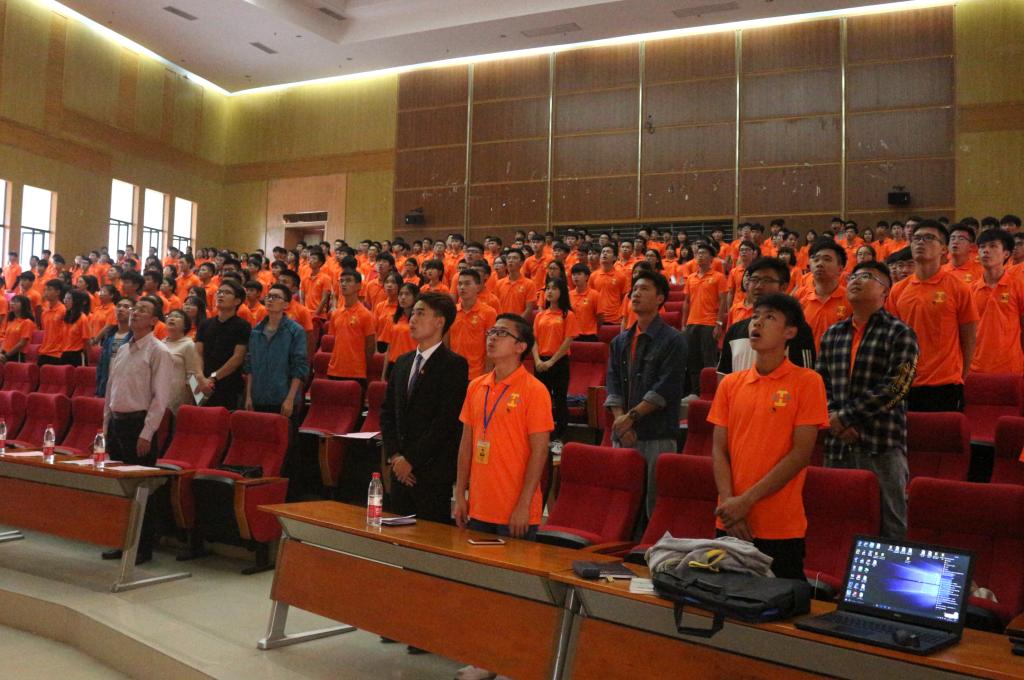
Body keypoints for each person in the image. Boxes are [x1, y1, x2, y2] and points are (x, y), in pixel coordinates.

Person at [709, 294, 829, 580]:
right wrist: (730, 506)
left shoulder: (808, 382)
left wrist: (745, 502)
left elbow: (800, 455)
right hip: (730, 520)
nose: (758, 323)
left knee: (780, 602)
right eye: (756, 316)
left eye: (770, 317)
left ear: (790, 332)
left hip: (779, 526)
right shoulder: (730, 384)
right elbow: (718, 450)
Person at [817, 262, 919, 539]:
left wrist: (844, 417)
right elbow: (820, 383)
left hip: (880, 443)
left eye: (866, 277)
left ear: (885, 291)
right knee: (836, 520)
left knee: (890, 525)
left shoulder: (899, 332)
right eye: (853, 276)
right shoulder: (833, 334)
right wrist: (834, 417)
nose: (855, 281)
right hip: (838, 444)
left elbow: (897, 386)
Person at [454, 313, 552, 539]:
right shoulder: (476, 386)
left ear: (520, 347)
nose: (492, 337)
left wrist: (524, 504)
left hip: (515, 511)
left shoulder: (535, 390)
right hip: (478, 507)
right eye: (492, 331)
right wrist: (459, 494)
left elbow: (539, 452)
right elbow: (466, 445)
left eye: (502, 333)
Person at [605, 271, 687, 517]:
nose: (636, 293)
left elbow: (666, 387)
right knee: (620, 506)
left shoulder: (673, 340)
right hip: (624, 433)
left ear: (660, 298)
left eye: (644, 289)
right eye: (634, 289)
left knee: (654, 506)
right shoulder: (620, 341)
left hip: (656, 433)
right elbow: (613, 383)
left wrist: (629, 419)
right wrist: (621, 423)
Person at [382, 292, 469, 523]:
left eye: (420, 314)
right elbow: (388, 413)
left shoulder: (454, 365)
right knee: (397, 536)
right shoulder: (402, 362)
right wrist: (396, 456)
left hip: (431, 473)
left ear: (440, 322)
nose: (412, 319)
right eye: (412, 314)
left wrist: (411, 460)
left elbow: (445, 422)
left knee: (429, 538)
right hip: (400, 471)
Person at [102, 295, 175, 565]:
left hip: (138, 425)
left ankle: (142, 547)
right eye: (135, 308)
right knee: (121, 487)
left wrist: (147, 432)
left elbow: (160, 397)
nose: (134, 313)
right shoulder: (122, 348)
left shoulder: (159, 351)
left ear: (154, 320)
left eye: (142, 310)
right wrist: (106, 424)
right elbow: (111, 388)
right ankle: (121, 542)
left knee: (142, 489)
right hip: (117, 423)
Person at [887, 220, 978, 412]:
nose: (920, 242)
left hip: (945, 383)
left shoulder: (959, 288)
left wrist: (962, 375)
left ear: (944, 249)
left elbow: (969, 338)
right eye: (916, 238)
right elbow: (892, 338)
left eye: (928, 238)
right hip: (905, 382)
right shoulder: (898, 290)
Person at [718, 257, 816, 376]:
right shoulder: (735, 331)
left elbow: (805, 376)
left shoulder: (795, 329)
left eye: (767, 280)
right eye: (754, 279)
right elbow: (723, 375)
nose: (759, 286)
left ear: (783, 287)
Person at [244, 283, 308, 418]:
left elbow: (299, 367)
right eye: (268, 297)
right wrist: (248, 396)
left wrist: (290, 399)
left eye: (276, 297)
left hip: (283, 398)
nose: (270, 300)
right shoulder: (256, 331)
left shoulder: (295, 331)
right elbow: (250, 366)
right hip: (258, 397)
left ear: (286, 304)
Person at [970, 229, 1024, 374]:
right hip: (975, 369)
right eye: (982, 247)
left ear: (1006, 253)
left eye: (993, 246)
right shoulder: (970, 290)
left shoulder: (1019, 286)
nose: (986, 251)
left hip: (1011, 368)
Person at [532, 278, 578, 448]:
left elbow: (568, 341)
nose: (549, 292)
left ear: (562, 292)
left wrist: (551, 361)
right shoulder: (540, 315)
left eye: (554, 288)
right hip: (540, 362)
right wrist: (537, 360)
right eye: (548, 288)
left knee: (559, 399)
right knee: (540, 401)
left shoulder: (568, 315)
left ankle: (559, 435)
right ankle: (542, 433)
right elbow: (534, 340)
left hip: (559, 362)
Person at [195, 279, 252, 409]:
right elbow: (197, 353)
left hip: (228, 385)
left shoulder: (243, 326)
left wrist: (213, 378)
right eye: (219, 292)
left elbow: (237, 358)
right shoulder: (205, 324)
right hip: (202, 383)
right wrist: (200, 377)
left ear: (237, 301)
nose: (221, 295)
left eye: (227, 293)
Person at [681, 242, 728, 394]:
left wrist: (719, 324)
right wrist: (684, 324)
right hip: (692, 323)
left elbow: (723, 301)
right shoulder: (691, 278)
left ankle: (710, 393)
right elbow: (686, 302)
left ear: (711, 258)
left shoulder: (719, 277)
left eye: (703, 253)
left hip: (709, 323)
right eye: (698, 254)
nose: (700, 256)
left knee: (708, 360)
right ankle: (695, 392)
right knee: (693, 360)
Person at [796, 237, 850, 350]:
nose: (820, 264)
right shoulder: (800, 297)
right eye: (816, 260)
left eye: (827, 259)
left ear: (840, 269)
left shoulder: (851, 300)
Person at [325, 269, 376, 391]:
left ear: (358, 286)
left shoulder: (366, 315)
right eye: (341, 281)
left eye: (348, 281)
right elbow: (336, 341)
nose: (343, 284)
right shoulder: (335, 314)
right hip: (334, 369)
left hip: (356, 372)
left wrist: (360, 364)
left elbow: (370, 346)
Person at [449, 269, 497, 380]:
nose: (462, 287)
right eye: (459, 284)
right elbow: (446, 343)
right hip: (453, 372)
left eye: (467, 283)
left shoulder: (489, 313)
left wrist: (487, 374)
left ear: (478, 287)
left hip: (477, 373)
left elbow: (491, 345)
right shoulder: (452, 311)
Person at [163, 309, 205, 414]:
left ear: (185, 325)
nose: (172, 318)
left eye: (177, 316)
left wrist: (187, 401)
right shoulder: (160, 343)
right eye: (170, 316)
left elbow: (192, 376)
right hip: (158, 393)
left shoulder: (189, 345)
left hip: (178, 395)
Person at [37, 279, 67, 366]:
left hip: (58, 352)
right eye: (45, 290)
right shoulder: (44, 312)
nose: (46, 292)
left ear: (58, 292)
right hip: (44, 351)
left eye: (49, 289)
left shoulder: (63, 310)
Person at [0, 295, 36, 363]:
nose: (12, 303)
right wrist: (1, 352)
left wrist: (7, 355)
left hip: (16, 355)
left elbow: (22, 343)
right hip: (4, 353)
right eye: (12, 301)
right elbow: (6, 339)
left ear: (24, 305)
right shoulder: (11, 321)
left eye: (16, 302)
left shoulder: (27, 322)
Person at [569, 263, 599, 341]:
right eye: (573, 274)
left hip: (589, 335)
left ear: (587, 277)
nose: (575, 277)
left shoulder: (594, 294)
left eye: (579, 274)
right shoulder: (569, 295)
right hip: (572, 335)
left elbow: (600, 317)